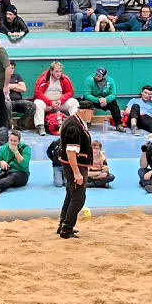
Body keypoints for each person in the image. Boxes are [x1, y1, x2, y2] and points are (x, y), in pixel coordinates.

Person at [53, 98, 89, 237]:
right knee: (78, 198)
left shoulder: (74, 121)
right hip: (75, 167)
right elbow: (71, 151)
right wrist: (77, 173)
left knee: (71, 195)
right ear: (85, 111)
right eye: (91, 113)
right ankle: (66, 229)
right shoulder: (75, 125)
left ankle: (63, 224)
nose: (92, 116)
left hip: (72, 166)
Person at [32, 61, 75, 133]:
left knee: (74, 102)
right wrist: (50, 102)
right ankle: (40, 126)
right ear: (51, 71)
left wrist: (61, 100)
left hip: (60, 104)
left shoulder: (65, 79)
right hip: (47, 104)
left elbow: (70, 92)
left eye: (60, 71)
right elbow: (38, 93)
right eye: (56, 71)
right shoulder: (44, 78)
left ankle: (75, 125)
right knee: (37, 103)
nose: (59, 74)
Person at [0, 129, 33, 195]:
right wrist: (1, 163)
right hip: (7, 170)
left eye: (15, 141)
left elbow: (24, 165)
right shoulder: (3, 148)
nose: (12, 143)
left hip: (21, 173)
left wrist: (16, 151)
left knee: (12, 177)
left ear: (19, 142)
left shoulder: (26, 149)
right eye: (11, 140)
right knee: (2, 176)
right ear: (8, 140)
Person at [79, 67, 125, 131]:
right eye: (96, 74)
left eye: (99, 76)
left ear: (104, 76)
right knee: (85, 102)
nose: (96, 77)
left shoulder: (110, 81)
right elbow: (86, 94)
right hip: (93, 100)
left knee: (114, 103)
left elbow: (113, 94)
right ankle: (87, 122)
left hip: (105, 101)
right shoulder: (89, 79)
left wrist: (106, 99)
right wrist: (98, 100)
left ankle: (119, 124)